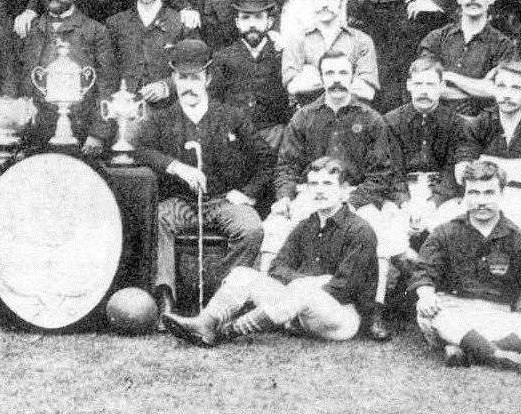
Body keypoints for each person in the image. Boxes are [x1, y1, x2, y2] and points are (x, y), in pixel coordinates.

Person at [162, 156, 377, 347]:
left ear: (346, 190)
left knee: (303, 290)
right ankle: (206, 322)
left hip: (341, 318)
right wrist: (303, 282)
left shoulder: (360, 230)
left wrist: (304, 286)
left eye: (328, 184)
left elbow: (347, 287)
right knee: (243, 274)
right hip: (298, 308)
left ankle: (227, 332)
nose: (320, 190)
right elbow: (277, 268)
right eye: (314, 184)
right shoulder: (306, 225)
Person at [269, 49, 402, 340]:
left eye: (343, 73)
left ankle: (375, 312)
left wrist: (351, 202)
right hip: (311, 192)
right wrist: (284, 197)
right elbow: (287, 165)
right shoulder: (304, 117)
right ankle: (280, 310)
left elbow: (381, 172)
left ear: (353, 76)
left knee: (381, 233)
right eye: (330, 73)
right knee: (274, 226)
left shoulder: (371, 119)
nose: (337, 80)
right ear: (320, 76)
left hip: (354, 195)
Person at [132, 39, 271, 317]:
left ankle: (224, 299)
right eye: (182, 78)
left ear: (207, 79)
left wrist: (246, 193)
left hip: (223, 201)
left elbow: (266, 159)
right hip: (181, 202)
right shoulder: (161, 119)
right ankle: (165, 301)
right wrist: (176, 167)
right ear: (173, 79)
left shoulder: (232, 116)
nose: (188, 85)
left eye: (194, 78)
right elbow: (141, 150)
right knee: (158, 219)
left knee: (251, 229)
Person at [412, 160, 521, 378]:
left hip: (498, 317)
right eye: (474, 193)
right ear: (464, 195)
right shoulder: (444, 232)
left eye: (489, 193)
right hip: (455, 314)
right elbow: (423, 273)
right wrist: (426, 296)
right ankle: (505, 357)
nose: (481, 201)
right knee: (429, 312)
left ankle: (469, 349)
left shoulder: (519, 238)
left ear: (501, 194)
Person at [19, 0, 117, 153]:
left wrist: (97, 135)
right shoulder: (31, 30)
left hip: (81, 137)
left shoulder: (95, 32)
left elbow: (107, 86)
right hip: (35, 138)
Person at [454, 60, 521, 241]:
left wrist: (484, 162)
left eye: (516, 88)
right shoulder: (481, 123)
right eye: (501, 86)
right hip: (482, 194)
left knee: (508, 235)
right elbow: (461, 172)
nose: (507, 94)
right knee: (455, 231)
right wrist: (514, 168)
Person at [383, 57, 468, 241]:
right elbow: (392, 170)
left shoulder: (456, 124)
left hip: (442, 192)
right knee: (391, 229)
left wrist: (433, 204)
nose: (423, 91)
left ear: (441, 86)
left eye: (430, 84)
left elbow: (451, 172)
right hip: (403, 190)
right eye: (418, 84)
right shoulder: (391, 122)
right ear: (408, 85)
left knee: (449, 229)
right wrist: (405, 203)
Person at [104, 0, 190, 113]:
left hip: (169, 114)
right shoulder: (115, 24)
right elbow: (106, 74)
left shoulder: (180, 24)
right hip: (125, 115)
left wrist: (166, 86)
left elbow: (194, 69)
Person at [417, 0, 514, 118]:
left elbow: (501, 91)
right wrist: (479, 88)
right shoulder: (436, 39)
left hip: (479, 128)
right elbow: (423, 85)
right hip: (437, 122)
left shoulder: (503, 46)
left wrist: (449, 76)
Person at [210, 0, 291, 148]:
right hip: (235, 136)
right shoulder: (223, 57)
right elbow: (214, 101)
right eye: (246, 17)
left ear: (269, 22)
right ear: (237, 23)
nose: (252, 24)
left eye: (258, 17)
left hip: (274, 135)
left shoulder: (281, 54)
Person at [281, 0, 379, 103]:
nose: (324, 4)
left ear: (342, 1)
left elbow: (367, 92)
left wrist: (312, 76)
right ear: (312, 1)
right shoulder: (297, 40)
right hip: (310, 117)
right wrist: (346, 78)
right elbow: (293, 86)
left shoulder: (361, 41)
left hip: (351, 115)